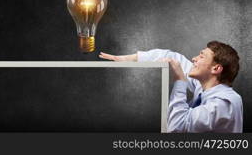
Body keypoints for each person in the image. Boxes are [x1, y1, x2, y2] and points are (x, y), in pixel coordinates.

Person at [99, 41, 243, 133]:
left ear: (216, 69)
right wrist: (126, 59)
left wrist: (180, 80)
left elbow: (176, 128)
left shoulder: (225, 103)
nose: (194, 59)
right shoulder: (205, 87)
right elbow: (172, 57)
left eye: (201, 56)